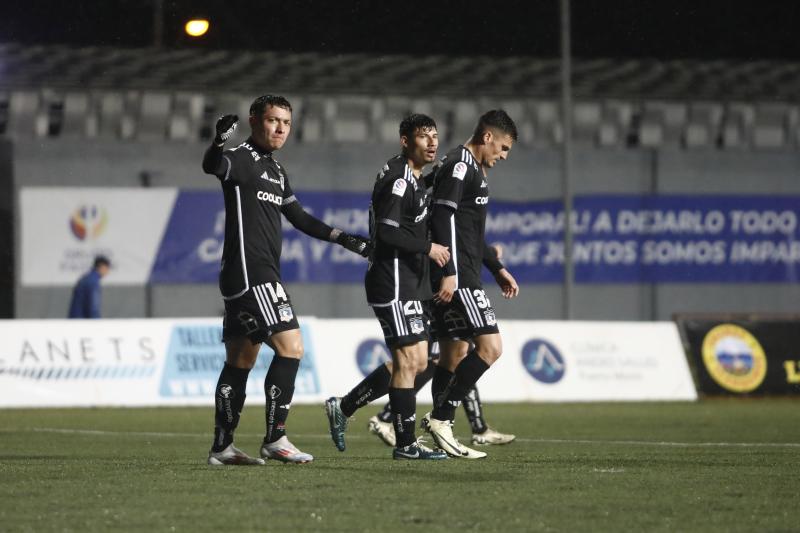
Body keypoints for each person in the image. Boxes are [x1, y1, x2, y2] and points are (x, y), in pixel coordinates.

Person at [202, 95, 371, 466]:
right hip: (252, 272)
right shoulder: (241, 158)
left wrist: (344, 238)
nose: (280, 129)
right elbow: (213, 165)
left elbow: (300, 218)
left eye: (286, 123)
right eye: (273, 120)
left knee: (240, 361)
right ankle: (275, 438)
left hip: (245, 274)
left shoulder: (276, 170)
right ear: (254, 120)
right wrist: (218, 142)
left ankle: (222, 447)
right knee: (291, 347)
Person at [324, 114, 451, 460]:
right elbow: (387, 232)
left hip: (408, 282)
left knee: (418, 360)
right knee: (410, 360)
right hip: (392, 281)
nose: (432, 143)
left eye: (435, 136)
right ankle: (406, 444)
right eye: (424, 137)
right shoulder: (399, 179)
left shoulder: (412, 176)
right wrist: (428, 247)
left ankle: (344, 406)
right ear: (405, 141)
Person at [421, 109, 520, 459]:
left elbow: (471, 233)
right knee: (490, 347)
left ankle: (440, 428)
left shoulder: (469, 168)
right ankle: (440, 419)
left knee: (452, 355)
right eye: (503, 148)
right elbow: (442, 216)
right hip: (459, 276)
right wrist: (450, 270)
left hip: (462, 272)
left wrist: (496, 267)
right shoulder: (460, 165)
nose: (503, 156)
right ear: (487, 137)